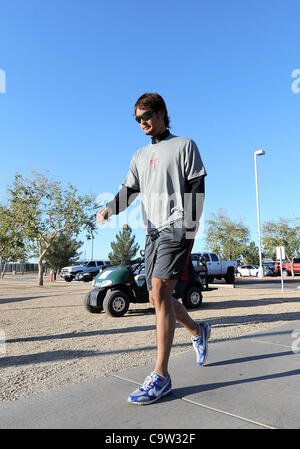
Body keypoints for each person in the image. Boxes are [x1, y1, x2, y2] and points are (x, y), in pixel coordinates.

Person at [97, 93, 211, 405]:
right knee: (155, 296)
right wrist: (110, 208)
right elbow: (129, 190)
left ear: (162, 112)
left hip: (178, 225)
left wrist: (190, 226)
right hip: (151, 231)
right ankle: (197, 330)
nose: (142, 122)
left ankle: (161, 375)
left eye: (146, 115)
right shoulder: (138, 156)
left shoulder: (185, 145)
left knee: (160, 291)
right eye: (137, 119)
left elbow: (197, 187)